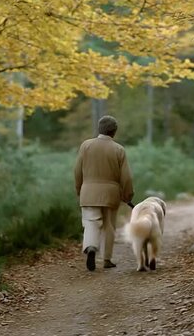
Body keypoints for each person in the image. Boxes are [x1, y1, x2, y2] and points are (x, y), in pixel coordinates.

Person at [74, 115, 134, 271]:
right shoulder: (119, 149)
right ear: (114, 132)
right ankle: (106, 259)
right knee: (109, 226)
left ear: (98, 129)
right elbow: (126, 176)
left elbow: (77, 170)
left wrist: (79, 188)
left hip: (88, 191)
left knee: (91, 222)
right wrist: (127, 195)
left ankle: (91, 247)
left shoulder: (85, 146)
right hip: (111, 193)